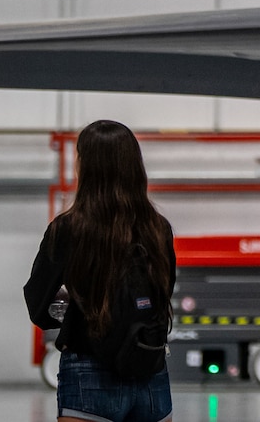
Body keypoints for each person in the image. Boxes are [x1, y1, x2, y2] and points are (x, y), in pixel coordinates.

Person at [25, 120, 176, 422]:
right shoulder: (157, 228)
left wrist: (76, 302)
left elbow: (40, 308)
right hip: (149, 368)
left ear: (85, 166)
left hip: (88, 371)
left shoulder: (68, 229)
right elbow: (163, 293)